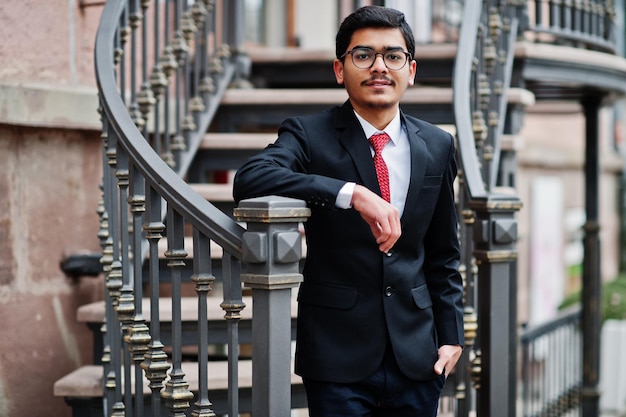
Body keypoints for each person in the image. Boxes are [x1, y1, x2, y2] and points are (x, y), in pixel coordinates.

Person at [233, 5, 464, 417]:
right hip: (337, 356)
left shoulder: (438, 145)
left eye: (393, 56)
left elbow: (443, 252)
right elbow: (251, 177)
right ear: (340, 70)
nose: (379, 67)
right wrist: (350, 193)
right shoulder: (309, 134)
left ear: (410, 70)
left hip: (419, 354)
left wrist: (452, 335)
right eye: (363, 55)